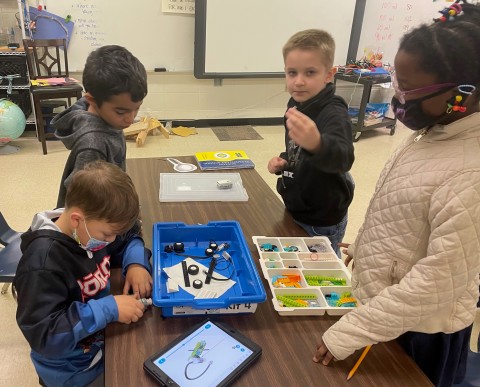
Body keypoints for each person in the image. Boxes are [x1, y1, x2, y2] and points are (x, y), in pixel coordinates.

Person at [314, 2, 480, 386]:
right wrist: (368, 247)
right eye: (396, 81)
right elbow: (408, 208)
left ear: (465, 93)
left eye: (409, 88)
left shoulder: (471, 170)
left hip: (422, 330)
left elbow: (437, 283)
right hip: (386, 311)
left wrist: (352, 331)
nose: (398, 96)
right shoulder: (437, 129)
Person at [14, 160, 153, 387]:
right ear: (77, 219)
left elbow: (127, 239)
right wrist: (109, 308)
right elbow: (45, 335)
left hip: (100, 342)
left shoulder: (89, 231)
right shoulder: (42, 264)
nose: (111, 241)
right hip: (73, 371)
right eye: (107, 234)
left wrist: (136, 264)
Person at [267, 29, 355, 257]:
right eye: (292, 72)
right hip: (297, 206)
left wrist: (317, 143)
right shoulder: (295, 103)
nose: (299, 81)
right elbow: (296, 149)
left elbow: (344, 157)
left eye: (310, 72)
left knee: (322, 270)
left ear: (328, 75)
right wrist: (284, 161)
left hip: (322, 219)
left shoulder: (333, 111)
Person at [52, 45, 148, 208]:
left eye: (136, 109)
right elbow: (80, 203)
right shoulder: (93, 145)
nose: (131, 120)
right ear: (92, 100)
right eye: (121, 112)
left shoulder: (106, 116)